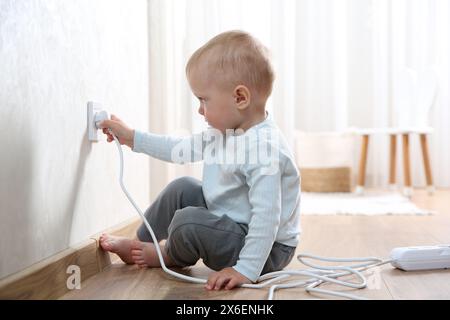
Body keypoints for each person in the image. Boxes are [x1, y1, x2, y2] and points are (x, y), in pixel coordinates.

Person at [98, 30, 301, 291]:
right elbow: (178, 148)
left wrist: (246, 270)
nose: (200, 109)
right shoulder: (225, 131)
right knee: (181, 188)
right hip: (231, 223)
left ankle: (168, 257)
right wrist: (131, 138)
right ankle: (141, 243)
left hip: (268, 248)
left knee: (187, 221)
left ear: (240, 98)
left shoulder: (264, 149)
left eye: (204, 100)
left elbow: (267, 217)